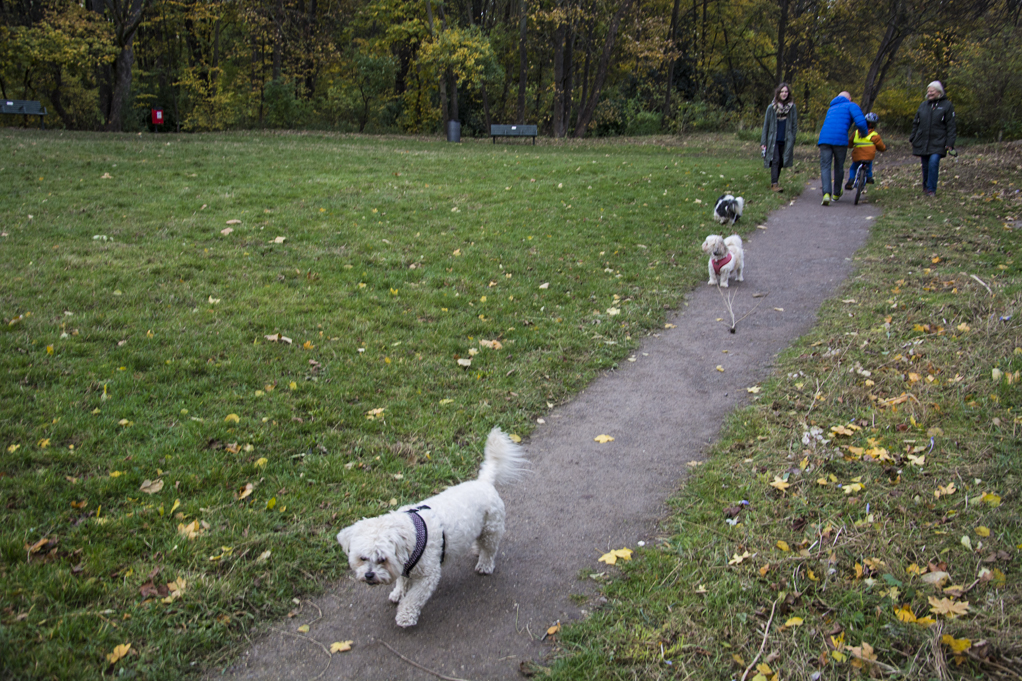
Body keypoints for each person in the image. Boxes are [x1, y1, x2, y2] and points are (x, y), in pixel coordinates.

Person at [817, 91, 868, 206]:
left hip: (824, 139)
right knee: (839, 166)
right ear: (849, 98)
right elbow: (860, 122)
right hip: (840, 140)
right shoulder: (851, 105)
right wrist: (864, 134)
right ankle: (836, 193)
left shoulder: (831, 108)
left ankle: (826, 194)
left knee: (825, 166)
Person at [910, 81, 956, 196]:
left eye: (932, 91)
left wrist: (949, 143)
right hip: (923, 141)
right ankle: (925, 186)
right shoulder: (923, 105)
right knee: (925, 166)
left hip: (939, 142)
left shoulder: (947, 105)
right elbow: (916, 122)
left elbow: (951, 125)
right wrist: (913, 137)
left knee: (933, 163)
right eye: (928, 91)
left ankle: (931, 189)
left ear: (939, 92)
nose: (929, 93)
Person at [760, 82, 798, 192]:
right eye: (782, 91)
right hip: (773, 140)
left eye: (786, 92)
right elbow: (766, 126)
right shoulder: (771, 108)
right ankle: (774, 185)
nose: (784, 94)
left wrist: (792, 138)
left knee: (782, 161)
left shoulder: (792, 108)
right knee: (775, 160)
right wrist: (763, 142)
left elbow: (794, 125)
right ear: (778, 93)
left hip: (786, 139)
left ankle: (775, 181)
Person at [845, 112, 886, 190]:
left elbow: (850, 142)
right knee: (869, 165)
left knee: (853, 168)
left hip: (857, 156)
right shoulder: (875, 135)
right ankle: (869, 177)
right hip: (869, 156)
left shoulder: (856, 133)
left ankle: (851, 179)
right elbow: (881, 146)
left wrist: (849, 146)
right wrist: (884, 149)